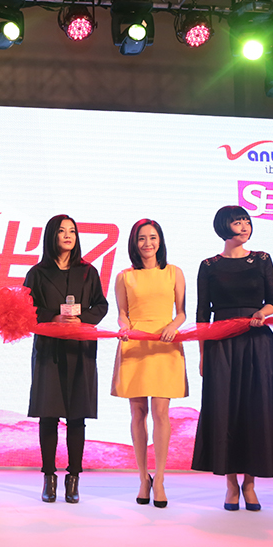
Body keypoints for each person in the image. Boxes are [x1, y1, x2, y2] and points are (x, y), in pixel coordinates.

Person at [192, 205, 273, 510]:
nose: (244, 226)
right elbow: (202, 313)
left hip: (256, 340)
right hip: (221, 343)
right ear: (223, 227)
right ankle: (230, 485)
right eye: (238, 222)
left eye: (247, 221)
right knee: (223, 409)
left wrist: (262, 313)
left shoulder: (262, 259)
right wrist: (202, 353)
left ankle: (250, 484)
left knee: (256, 408)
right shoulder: (209, 265)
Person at [23, 214, 109, 504]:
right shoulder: (37, 273)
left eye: (72, 231)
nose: (68, 235)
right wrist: (53, 317)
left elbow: (101, 305)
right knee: (48, 415)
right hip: (49, 350)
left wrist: (82, 319)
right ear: (52, 236)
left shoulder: (88, 271)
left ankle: (74, 478)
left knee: (76, 416)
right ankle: (49, 477)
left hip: (79, 350)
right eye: (62, 231)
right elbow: (26, 308)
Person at [111, 219, 187, 508]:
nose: (147, 243)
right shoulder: (124, 276)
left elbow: (182, 312)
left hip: (165, 343)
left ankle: (161, 479)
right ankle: (143, 477)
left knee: (161, 412)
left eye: (153, 237)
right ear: (134, 243)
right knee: (138, 411)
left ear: (160, 241)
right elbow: (122, 312)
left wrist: (173, 326)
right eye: (142, 238)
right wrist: (124, 326)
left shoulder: (174, 273)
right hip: (135, 343)